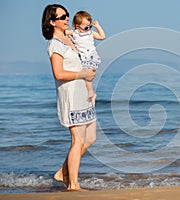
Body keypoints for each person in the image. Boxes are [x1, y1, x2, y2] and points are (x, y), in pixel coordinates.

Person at [42, 4, 97, 191]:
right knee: (78, 140)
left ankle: (62, 172)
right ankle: (73, 185)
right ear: (52, 22)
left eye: (67, 15)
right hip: (71, 96)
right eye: (62, 17)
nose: (67, 18)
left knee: (90, 137)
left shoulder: (70, 38)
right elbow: (58, 74)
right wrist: (83, 75)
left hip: (84, 94)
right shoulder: (54, 44)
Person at [65, 11, 105, 107]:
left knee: (87, 76)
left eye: (89, 26)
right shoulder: (74, 33)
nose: (88, 29)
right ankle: (90, 94)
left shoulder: (90, 33)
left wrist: (97, 26)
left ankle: (91, 93)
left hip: (91, 57)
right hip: (82, 58)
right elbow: (63, 33)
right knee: (85, 77)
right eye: (86, 27)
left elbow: (102, 36)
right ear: (77, 26)